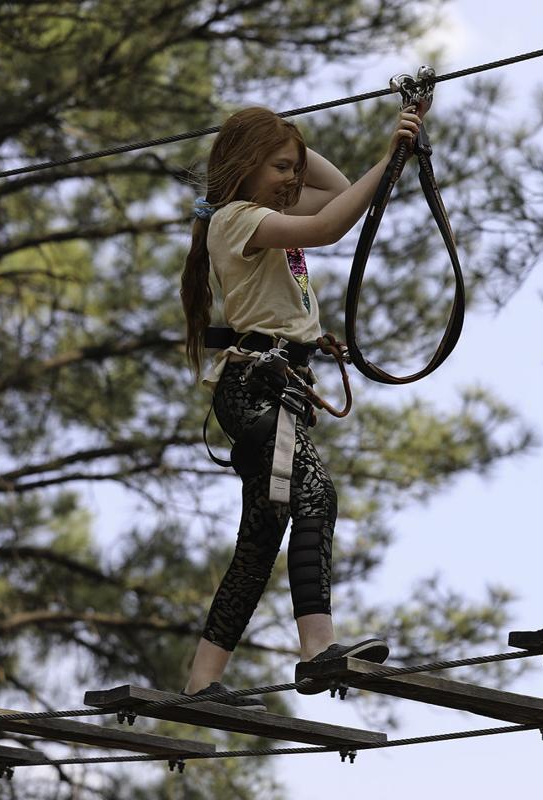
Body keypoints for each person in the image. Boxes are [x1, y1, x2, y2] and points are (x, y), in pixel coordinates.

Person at [178, 103, 424, 709]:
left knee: (262, 535)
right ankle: (318, 651)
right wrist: (390, 154)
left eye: (296, 166)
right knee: (316, 495)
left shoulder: (265, 212)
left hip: (274, 381)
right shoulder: (236, 218)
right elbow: (330, 225)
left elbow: (339, 194)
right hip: (256, 390)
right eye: (281, 167)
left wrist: (291, 141)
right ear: (243, 167)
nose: (294, 179)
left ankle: (201, 681)